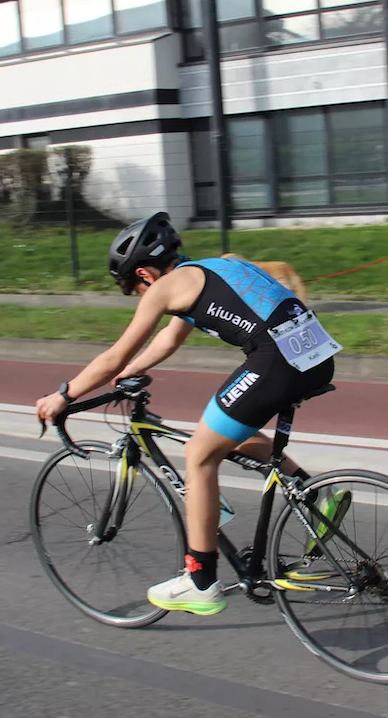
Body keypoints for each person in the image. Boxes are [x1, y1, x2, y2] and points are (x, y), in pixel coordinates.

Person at [35, 213, 348, 616]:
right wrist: (131, 372)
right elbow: (168, 338)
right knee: (225, 430)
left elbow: (115, 355)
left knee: (198, 454)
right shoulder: (213, 268)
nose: (140, 295)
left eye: (135, 289)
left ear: (144, 273)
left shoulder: (164, 288)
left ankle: (200, 580)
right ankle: (314, 496)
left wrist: (64, 395)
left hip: (277, 362)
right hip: (317, 355)